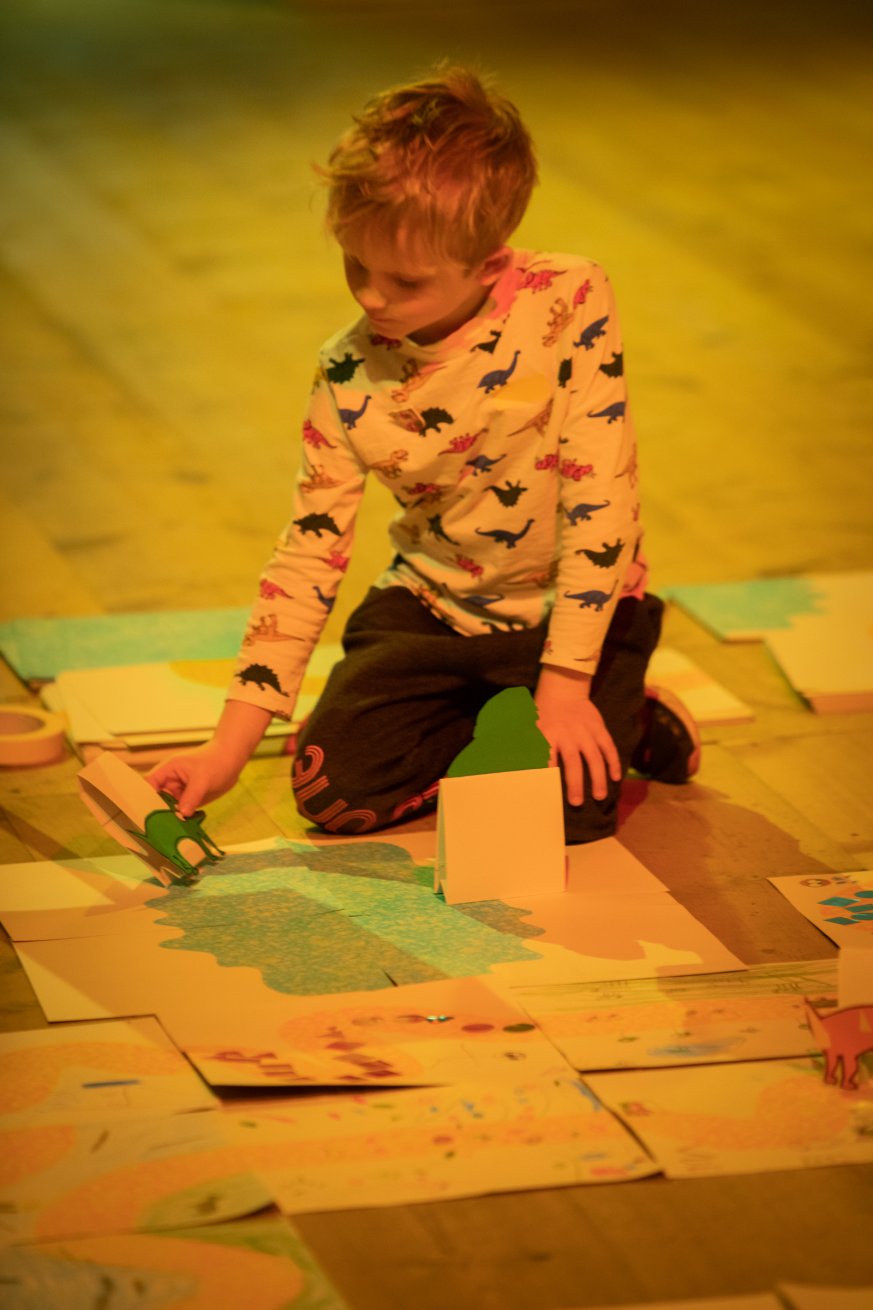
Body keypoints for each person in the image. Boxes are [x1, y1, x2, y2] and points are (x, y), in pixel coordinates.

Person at [149, 64, 700, 842]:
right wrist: (226, 752)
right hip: (433, 608)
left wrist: (567, 685)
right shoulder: (346, 371)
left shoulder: (569, 298)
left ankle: (622, 715)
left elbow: (600, 498)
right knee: (334, 795)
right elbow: (306, 561)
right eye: (354, 265)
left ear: (490, 266)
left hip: (571, 618)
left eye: (404, 280)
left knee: (567, 818)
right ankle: (494, 717)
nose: (372, 299)